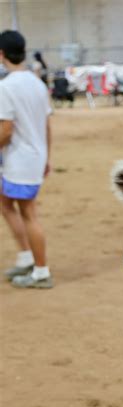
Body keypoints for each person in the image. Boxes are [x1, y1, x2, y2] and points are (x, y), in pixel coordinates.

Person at [0, 30, 53, 289]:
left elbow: (6, 130)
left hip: (20, 159)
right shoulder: (37, 82)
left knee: (29, 213)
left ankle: (41, 272)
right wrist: (46, 158)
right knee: (5, 201)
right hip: (34, 155)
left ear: (1, 54)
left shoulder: (6, 86)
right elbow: (46, 125)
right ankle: (25, 257)